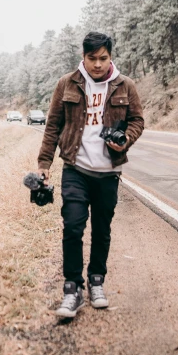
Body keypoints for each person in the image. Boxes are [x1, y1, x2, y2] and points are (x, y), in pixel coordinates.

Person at [38, 31, 144, 318]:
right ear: (83, 57)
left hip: (109, 172)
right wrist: (44, 165)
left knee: (102, 230)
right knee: (72, 226)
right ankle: (72, 289)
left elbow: (137, 121)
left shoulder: (125, 86)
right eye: (92, 58)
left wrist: (125, 139)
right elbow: (52, 126)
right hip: (76, 167)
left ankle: (97, 281)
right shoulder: (66, 84)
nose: (98, 64)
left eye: (103, 58)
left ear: (110, 56)